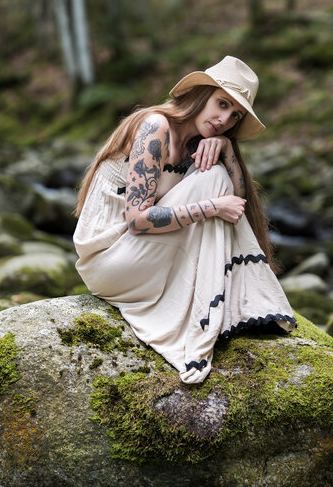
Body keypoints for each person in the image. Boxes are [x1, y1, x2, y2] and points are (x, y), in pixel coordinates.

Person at [73, 56, 296, 384]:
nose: (224, 119)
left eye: (235, 115)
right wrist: (211, 206)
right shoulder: (155, 126)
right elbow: (138, 219)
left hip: (139, 257)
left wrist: (226, 149)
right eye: (222, 104)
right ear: (201, 95)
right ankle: (228, 310)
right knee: (214, 180)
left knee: (216, 174)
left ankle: (235, 304)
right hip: (110, 263)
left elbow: (237, 204)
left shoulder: (198, 144)